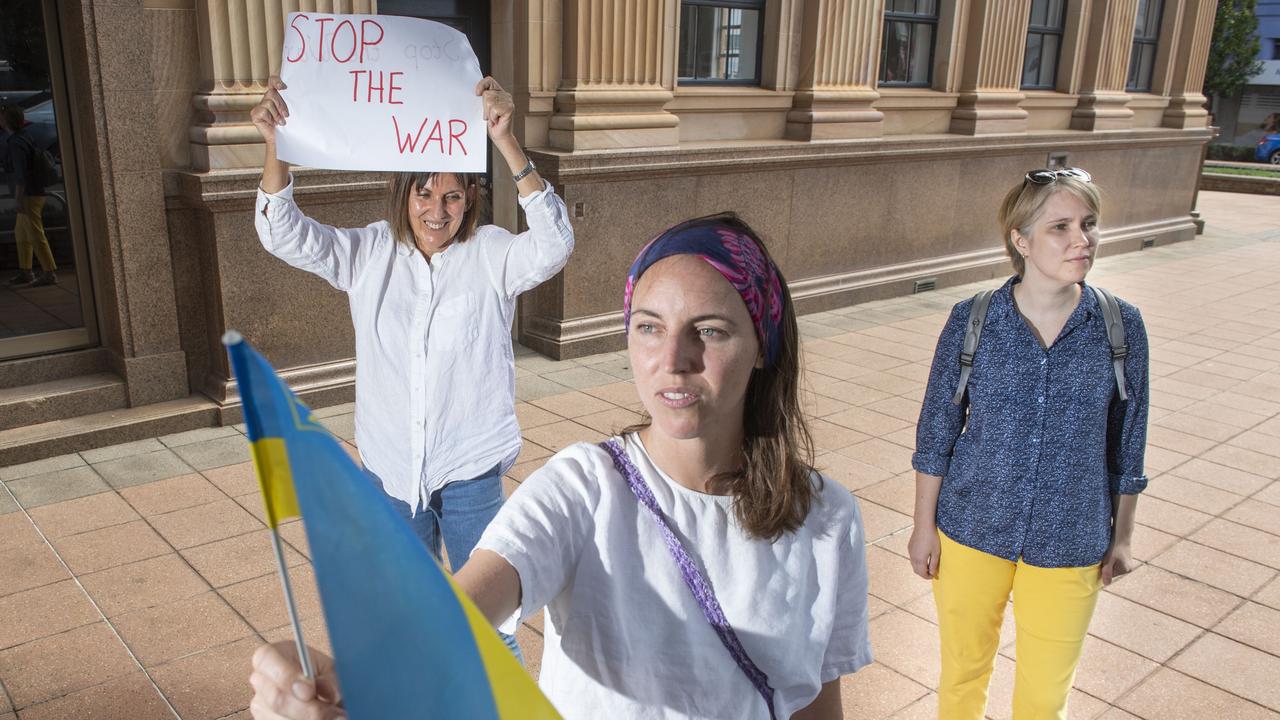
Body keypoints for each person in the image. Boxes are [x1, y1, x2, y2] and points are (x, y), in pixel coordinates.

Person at [247, 214, 873, 720]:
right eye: (648, 327)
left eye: (708, 331)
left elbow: (813, 700)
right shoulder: (586, 487)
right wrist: (358, 680)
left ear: (763, 343)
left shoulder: (827, 518)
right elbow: (460, 610)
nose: (673, 359)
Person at [250, 75, 574, 659]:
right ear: (403, 194)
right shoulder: (367, 253)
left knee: (490, 624)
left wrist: (507, 141)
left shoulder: (493, 254)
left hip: (470, 467)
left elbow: (553, 244)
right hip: (392, 470)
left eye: (452, 196)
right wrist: (276, 143)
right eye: (423, 193)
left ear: (470, 198)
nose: (436, 210)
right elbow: (281, 233)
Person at [907, 168, 1149, 720]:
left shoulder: (1120, 326)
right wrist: (924, 526)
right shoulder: (972, 321)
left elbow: (1128, 443)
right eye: (1060, 227)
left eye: (1088, 224)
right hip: (971, 526)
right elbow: (936, 431)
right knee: (963, 676)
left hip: (1072, 537)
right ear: (1021, 240)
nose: (1081, 240)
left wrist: (1123, 537)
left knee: (1044, 696)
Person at [1, 104, 57, 287]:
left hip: (28, 195)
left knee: (34, 233)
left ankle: (48, 272)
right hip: (34, 192)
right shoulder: (25, 137)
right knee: (22, 233)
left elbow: (20, 174)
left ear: (6, 122)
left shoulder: (15, 143)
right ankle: (26, 271)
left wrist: (18, 198)